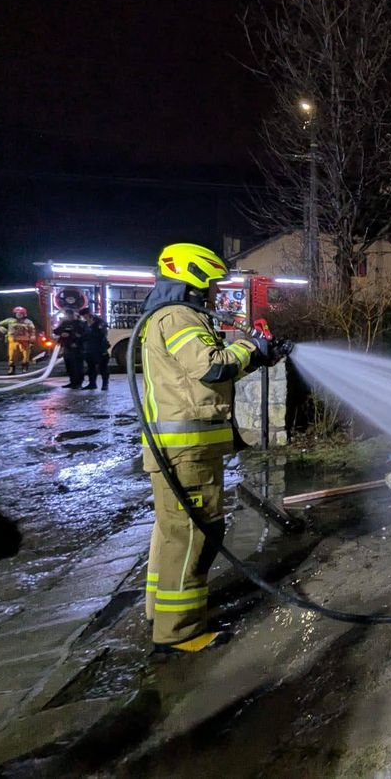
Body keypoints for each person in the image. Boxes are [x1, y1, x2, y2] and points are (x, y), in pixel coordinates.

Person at [139, 242, 279, 653]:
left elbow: (204, 377)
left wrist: (260, 357)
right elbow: (211, 365)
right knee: (193, 535)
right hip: (187, 450)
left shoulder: (168, 315)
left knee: (172, 532)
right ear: (194, 277)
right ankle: (180, 632)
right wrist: (251, 347)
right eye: (213, 283)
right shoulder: (178, 316)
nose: (216, 291)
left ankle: (162, 614)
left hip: (183, 448)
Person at [0, 306, 37, 375]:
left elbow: (32, 330)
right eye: (17, 313)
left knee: (26, 356)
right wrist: (2, 329)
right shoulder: (9, 320)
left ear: (24, 314)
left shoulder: (28, 322)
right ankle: (11, 368)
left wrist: (32, 339)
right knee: (12, 355)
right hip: (13, 341)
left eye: (21, 313)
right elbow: (0, 324)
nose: (19, 315)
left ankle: (24, 368)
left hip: (25, 341)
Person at [52, 309, 86, 388]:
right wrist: (61, 333)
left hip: (76, 348)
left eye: (70, 315)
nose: (68, 317)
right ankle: (72, 382)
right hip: (67, 347)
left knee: (77, 366)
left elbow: (83, 335)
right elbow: (56, 331)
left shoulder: (80, 323)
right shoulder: (64, 323)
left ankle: (78, 383)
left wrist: (73, 338)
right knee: (69, 365)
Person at [78, 307, 110, 390]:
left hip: (100, 348)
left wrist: (92, 326)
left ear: (89, 314)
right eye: (83, 316)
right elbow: (83, 335)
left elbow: (102, 334)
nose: (84, 317)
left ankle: (105, 384)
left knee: (103, 367)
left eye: (85, 315)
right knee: (91, 368)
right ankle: (92, 384)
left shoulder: (99, 322)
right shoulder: (85, 324)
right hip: (89, 349)